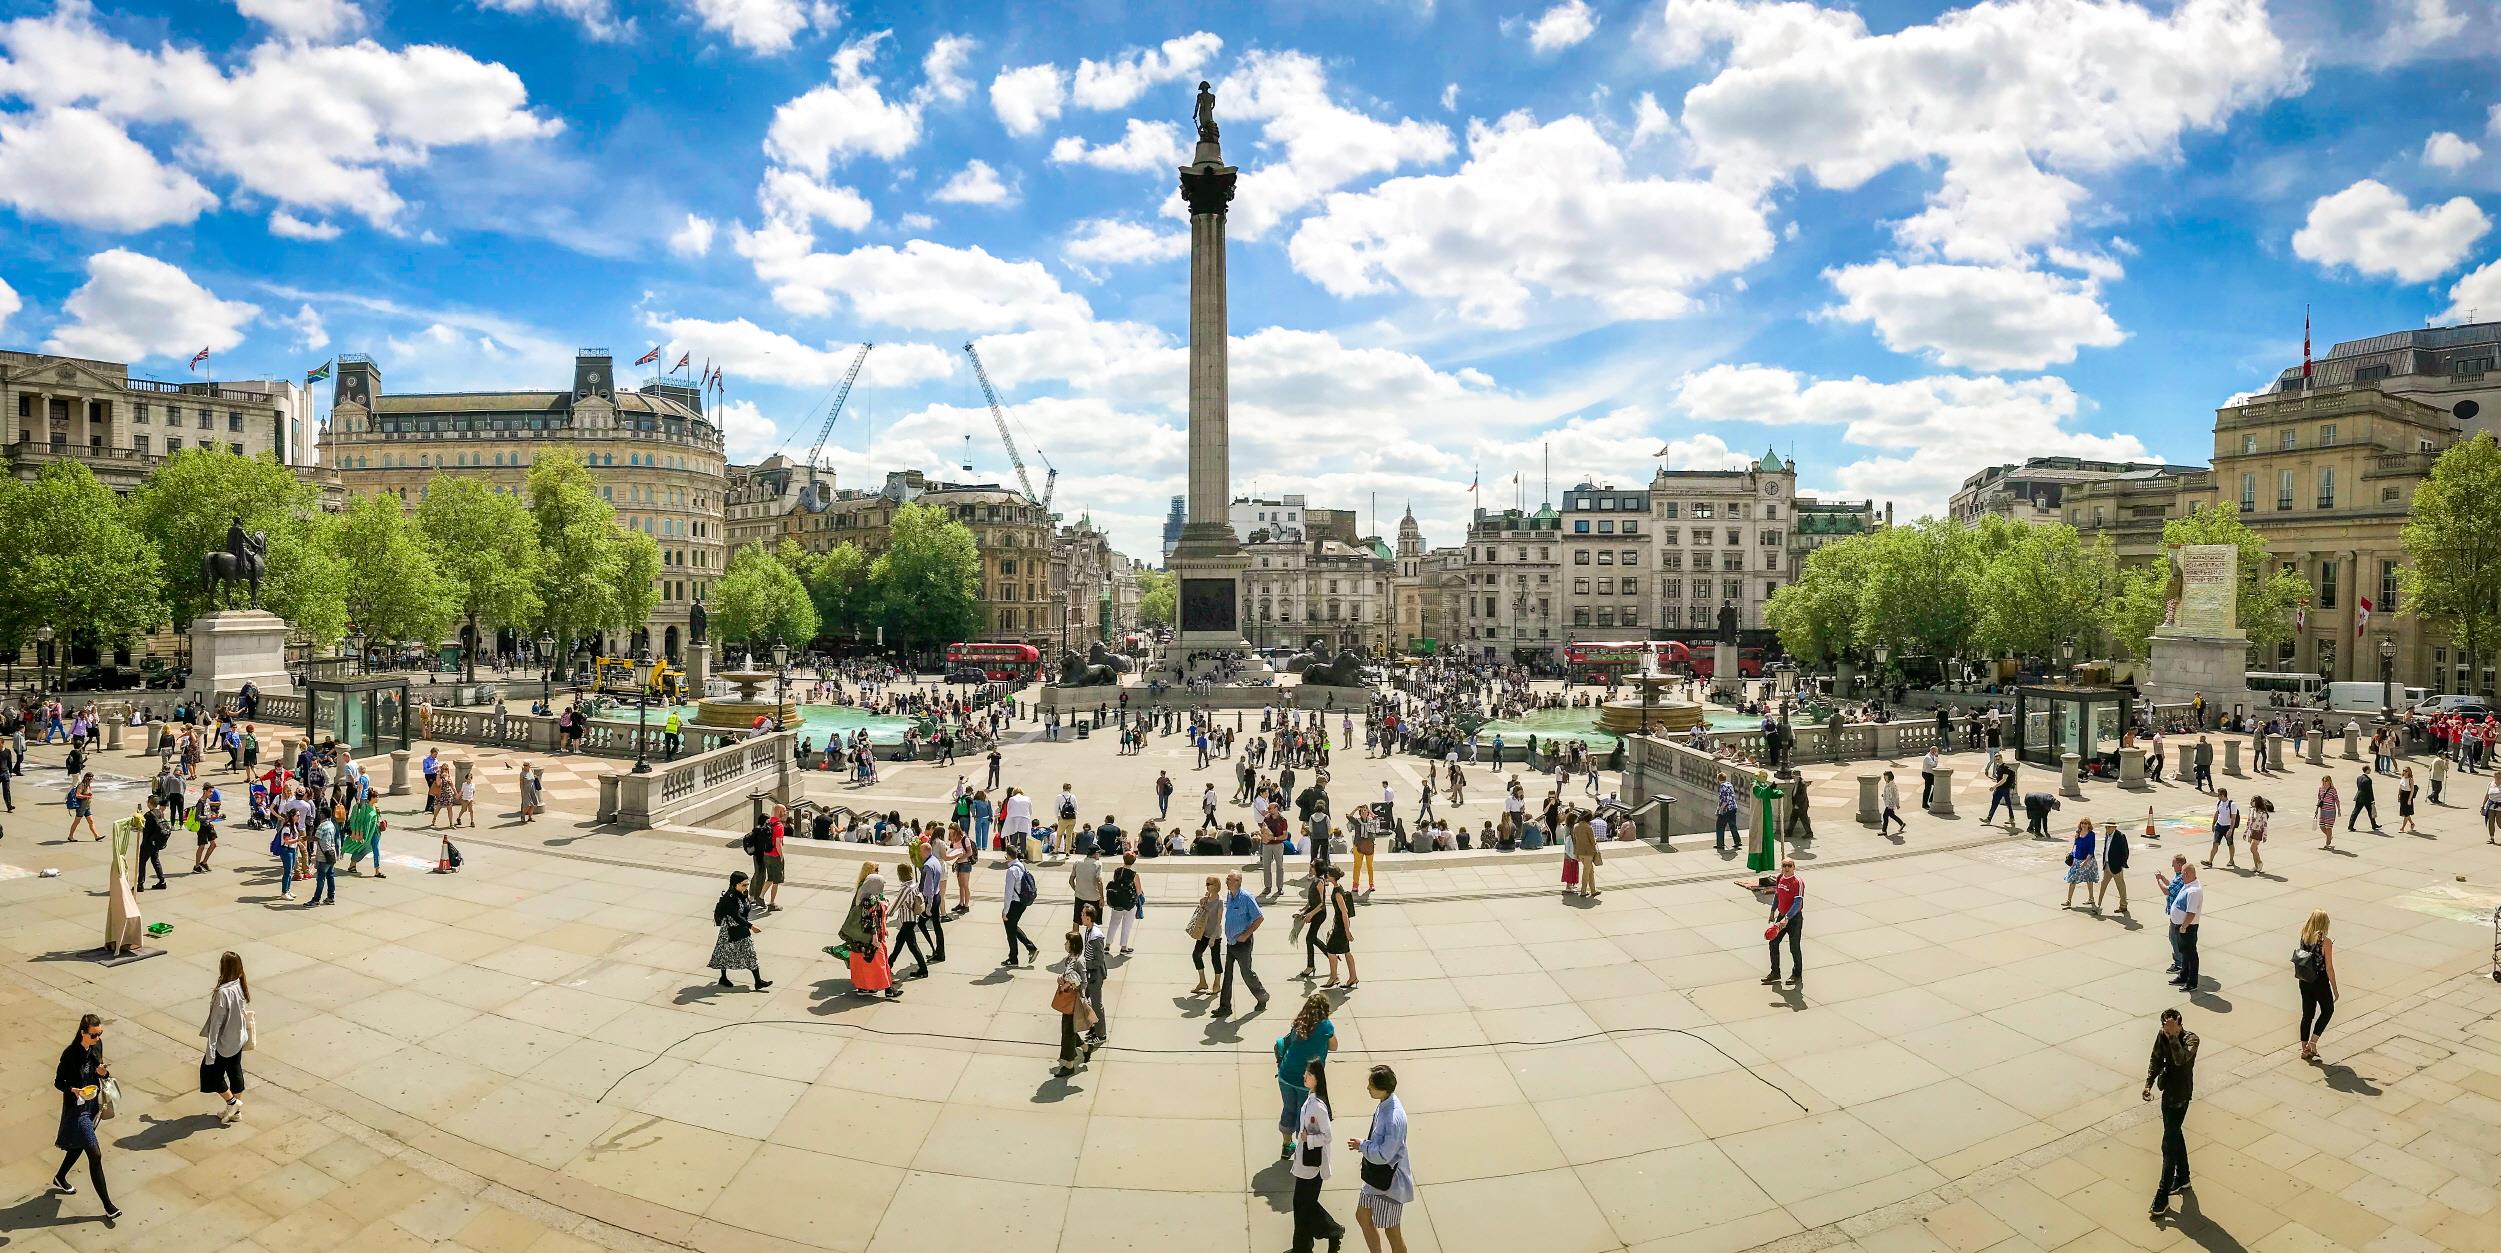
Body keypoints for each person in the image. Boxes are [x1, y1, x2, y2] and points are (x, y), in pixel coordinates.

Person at [51, 1013, 119, 1220]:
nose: (97, 1039)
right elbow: (58, 1082)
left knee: (79, 1145)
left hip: (92, 1105)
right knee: (95, 1154)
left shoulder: (97, 1046)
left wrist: (103, 1073)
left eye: (100, 1034)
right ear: (83, 1033)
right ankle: (108, 1206)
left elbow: (102, 1073)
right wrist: (73, 1089)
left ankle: (60, 1177)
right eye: (94, 1035)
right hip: (77, 1109)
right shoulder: (70, 1054)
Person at [1347, 1064, 1413, 1253]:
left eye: (1371, 1085)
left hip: (1388, 1183)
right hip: (1375, 1177)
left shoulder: (1393, 1118)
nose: (1367, 1088)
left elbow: (1385, 1155)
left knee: (1392, 1231)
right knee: (1363, 1216)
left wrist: (1362, 1145)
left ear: (1382, 1088)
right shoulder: (1385, 1104)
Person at [2144, 1008, 2200, 1218]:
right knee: (2174, 1134)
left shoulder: (2192, 1039)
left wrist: (2175, 1036)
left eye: (2170, 1027)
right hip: (2167, 1093)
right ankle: (2183, 1177)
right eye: (2164, 1027)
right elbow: (2156, 1059)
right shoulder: (2163, 1035)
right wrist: (2148, 1084)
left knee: (2168, 1144)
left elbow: (2179, 1059)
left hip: (2181, 1095)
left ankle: (2162, 1194)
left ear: (2179, 1024)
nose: (2166, 1031)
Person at [1288, 1056, 1344, 1253]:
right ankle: (1302, 1247)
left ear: (1318, 1078)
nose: (1305, 1076)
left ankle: (1332, 1230)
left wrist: (1307, 1138)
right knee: (1302, 1205)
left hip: (1313, 1166)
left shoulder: (1317, 1106)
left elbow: (1326, 1136)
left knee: (1305, 1206)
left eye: (1309, 1074)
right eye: (1306, 1073)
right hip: (1306, 1162)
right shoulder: (1311, 1099)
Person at [1275, 992, 1340, 1158]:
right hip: (1306, 1079)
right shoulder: (1326, 1026)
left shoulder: (1299, 1023)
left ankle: (1286, 1144)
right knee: (1305, 1114)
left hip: (1285, 1074)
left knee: (1289, 1108)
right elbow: (1334, 1047)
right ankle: (1304, 1149)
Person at [198, 951, 251, 1125]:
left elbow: (216, 1024)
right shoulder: (240, 984)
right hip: (238, 1038)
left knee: (209, 1074)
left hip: (224, 1042)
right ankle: (235, 1112)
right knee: (235, 1072)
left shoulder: (223, 992)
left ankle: (233, 1103)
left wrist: (211, 1049)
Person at [838, 863, 901, 1000]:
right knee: (880, 963)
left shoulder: (867, 896)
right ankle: (888, 989)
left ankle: (865, 987)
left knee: (865, 963)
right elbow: (870, 920)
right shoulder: (870, 899)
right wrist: (875, 937)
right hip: (870, 939)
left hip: (862, 939)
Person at [1214, 870, 1269, 1018]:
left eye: (1229, 879)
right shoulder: (1230, 896)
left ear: (1237, 882)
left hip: (1243, 944)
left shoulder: (1246, 897)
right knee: (1228, 976)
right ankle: (1225, 1007)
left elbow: (1259, 918)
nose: (1226, 881)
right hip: (1231, 943)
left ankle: (1262, 997)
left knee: (1247, 974)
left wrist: (1245, 935)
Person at [710, 872, 770, 991]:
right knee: (724, 954)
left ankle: (758, 981)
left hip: (741, 928)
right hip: (730, 930)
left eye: (747, 884)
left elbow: (745, 911)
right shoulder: (729, 898)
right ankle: (723, 978)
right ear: (735, 884)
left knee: (750, 953)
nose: (746, 887)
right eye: (744, 885)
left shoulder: (743, 893)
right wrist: (751, 926)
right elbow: (736, 916)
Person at [1052, 929, 1091, 1078]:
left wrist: (1075, 985)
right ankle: (1086, 1048)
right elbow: (1067, 974)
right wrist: (1062, 979)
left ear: (1073, 944)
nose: (1065, 944)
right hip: (1068, 999)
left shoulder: (1079, 960)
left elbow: (1084, 981)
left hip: (1074, 1001)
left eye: (1067, 942)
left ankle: (1068, 1065)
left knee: (1067, 1032)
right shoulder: (1069, 958)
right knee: (1070, 1029)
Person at [1761, 858, 1803, 987]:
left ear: (1794, 867)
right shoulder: (1780, 878)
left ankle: (1796, 974)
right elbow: (1777, 896)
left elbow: (1798, 903)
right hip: (1781, 916)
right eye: (1784, 865)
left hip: (1794, 919)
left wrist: (1787, 918)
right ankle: (1775, 973)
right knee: (1773, 942)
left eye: (1789, 865)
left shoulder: (1798, 882)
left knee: (1794, 947)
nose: (1786, 868)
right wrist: (1773, 911)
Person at [1315, 866, 1358, 989]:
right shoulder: (1339, 888)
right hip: (1341, 924)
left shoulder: (1337, 892)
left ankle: (1334, 977)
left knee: (1331, 950)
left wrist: (1347, 931)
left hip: (1340, 926)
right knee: (1346, 951)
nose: (1326, 876)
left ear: (1332, 876)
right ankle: (1352, 977)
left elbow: (1344, 912)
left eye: (1328, 874)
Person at [1001, 846, 1040, 967]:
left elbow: (1008, 892)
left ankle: (1015, 957)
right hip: (1023, 902)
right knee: (1012, 926)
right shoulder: (1021, 866)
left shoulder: (1012, 870)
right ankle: (1027, 949)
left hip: (1015, 903)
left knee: (1010, 928)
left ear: (1008, 855)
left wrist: (1005, 911)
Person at [2168, 862, 2204, 991]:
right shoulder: (2188, 884)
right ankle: (2183, 976)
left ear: (2187, 874)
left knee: (2190, 954)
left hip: (2187, 927)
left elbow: (2191, 912)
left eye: (2182, 874)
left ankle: (2192, 982)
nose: (2180, 877)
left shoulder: (2194, 891)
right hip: (2182, 926)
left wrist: (2183, 927)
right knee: (2184, 953)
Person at [1187, 873, 1224, 996]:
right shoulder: (1206, 899)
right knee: (1196, 955)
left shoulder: (1220, 901)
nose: (1206, 886)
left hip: (1214, 934)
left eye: (1209, 884)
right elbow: (1200, 915)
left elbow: (1218, 921)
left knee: (1215, 959)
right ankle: (1202, 981)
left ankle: (1217, 984)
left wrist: (1213, 937)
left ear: (1215, 885)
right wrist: (1202, 903)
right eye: (1206, 884)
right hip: (1203, 932)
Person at [1104, 851, 1141, 955]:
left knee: (1113, 923)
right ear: (1134, 861)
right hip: (1129, 904)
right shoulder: (1134, 874)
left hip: (1117, 902)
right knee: (1126, 925)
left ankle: (1107, 946)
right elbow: (1138, 891)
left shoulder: (1117, 871)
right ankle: (1123, 947)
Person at [2063, 818, 2100, 911]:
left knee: (2089, 879)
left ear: (2089, 825)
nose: (2084, 825)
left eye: (2086, 823)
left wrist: (2086, 861)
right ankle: (2068, 901)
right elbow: (2076, 846)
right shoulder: (2078, 833)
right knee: (2072, 880)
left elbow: (2091, 849)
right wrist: (2076, 838)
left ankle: (2091, 898)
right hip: (2077, 860)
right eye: (2082, 823)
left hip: (2087, 860)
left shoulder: (2091, 835)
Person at [2096, 820, 2130, 914]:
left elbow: (2125, 852)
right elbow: (2106, 849)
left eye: (2109, 827)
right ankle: (2098, 905)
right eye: (2106, 827)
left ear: (2114, 827)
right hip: (2107, 865)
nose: (2107, 829)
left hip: (2116, 867)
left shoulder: (2120, 836)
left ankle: (2123, 905)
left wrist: (2121, 864)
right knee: (2103, 885)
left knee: (2120, 886)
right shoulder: (2107, 835)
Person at [1069, 843, 1105, 926]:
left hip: (1079, 897)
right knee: (1094, 923)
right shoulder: (1097, 864)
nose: (1100, 855)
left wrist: (1077, 889)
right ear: (1095, 854)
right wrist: (1102, 897)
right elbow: (1099, 881)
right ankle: (1091, 938)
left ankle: (1074, 937)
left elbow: (1071, 880)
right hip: (1094, 898)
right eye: (1099, 853)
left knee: (1076, 921)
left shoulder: (1077, 862)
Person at [1568, 811, 1602, 899]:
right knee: (1586, 871)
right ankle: (1583, 891)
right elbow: (1592, 841)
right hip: (1588, 852)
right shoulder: (1588, 827)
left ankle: (1593, 890)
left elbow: (1575, 840)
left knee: (1590, 871)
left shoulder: (1576, 826)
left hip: (1580, 852)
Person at [2202, 789, 2237, 870]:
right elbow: (2217, 813)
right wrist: (2213, 824)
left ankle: (2231, 860)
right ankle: (2210, 861)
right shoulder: (2219, 803)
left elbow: (2233, 818)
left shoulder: (2232, 804)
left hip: (2227, 827)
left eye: (2218, 795)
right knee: (2215, 844)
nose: (2218, 796)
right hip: (2219, 826)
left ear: (2223, 795)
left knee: (2230, 844)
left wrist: (2231, 829)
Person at [2349, 766, 2381, 834]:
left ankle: (2350, 825)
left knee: (2355, 812)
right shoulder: (2368, 780)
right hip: (2367, 798)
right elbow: (2370, 791)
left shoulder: (2359, 778)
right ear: (2367, 770)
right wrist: (2372, 799)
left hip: (2359, 797)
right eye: (2369, 769)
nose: (2370, 770)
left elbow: (2358, 787)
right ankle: (2374, 825)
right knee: (2370, 812)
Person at [2245, 795, 2273, 874]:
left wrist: (2265, 836)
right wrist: (2246, 832)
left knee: (2252, 849)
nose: (2251, 802)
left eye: (2253, 801)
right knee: (2254, 850)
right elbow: (2249, 821)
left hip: (2258, 832)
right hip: (2252, 831)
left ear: (2257, 802)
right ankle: (2256, 866)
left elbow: (2265, 825)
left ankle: (2259, 862)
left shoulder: (2263, 813)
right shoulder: (2252, 810)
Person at [1714, 773, 1741, 851]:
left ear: (1718, 779)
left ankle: (1720, 844)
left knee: (1720, 826)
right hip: (1733, 808)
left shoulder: (1722, 787)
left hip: (1726, 809)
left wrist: (1720, 810)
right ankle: (1737, 841)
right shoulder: (1729, 784)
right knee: (1733, 825)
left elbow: (1724, 800)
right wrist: (1717, 809)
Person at [2316, 775, 2342, 850]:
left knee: (2328, 827)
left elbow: (2337, 800)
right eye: (2323, 781)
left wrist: (2339, 809)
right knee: (2321, 826)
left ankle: (2327, 844)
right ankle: (2329, 836)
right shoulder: (2320, 789)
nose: (2324, 782)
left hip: (2330, 811)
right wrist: (2317, 809)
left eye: (2326, 781)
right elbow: (2319, 799)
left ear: (2329, 781)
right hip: (2323, 810)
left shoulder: (2333, 790)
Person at [1878, 770, 1905, 837]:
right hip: (1888, 803)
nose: (1884, 778)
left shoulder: (1892, 785)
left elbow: (1896, 795)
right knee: (1892, 815)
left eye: (1885, 777)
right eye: (1884, 777)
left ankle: (1884, 831)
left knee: (1885, 815)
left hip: (1890, 804)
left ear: (1889, 777)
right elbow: (1888, 793)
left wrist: (1897, 804)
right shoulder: (1888, 784)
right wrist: (1884, 795)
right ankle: (1902, 823)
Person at [2396, 765, 2419, 834]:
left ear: (2409, 772)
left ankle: (2402, 827)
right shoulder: (2402, 778)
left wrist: (2409, 799)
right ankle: (2412, 823)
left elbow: (2412, 790)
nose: (2404, 772)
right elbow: (2400, 787)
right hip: (2402, 795)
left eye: (2406, 771)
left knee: (2406, 813)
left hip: (2408, 796)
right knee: (2405, 812)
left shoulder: (2410, 779)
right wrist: (2398, 795)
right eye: (2403, 770)